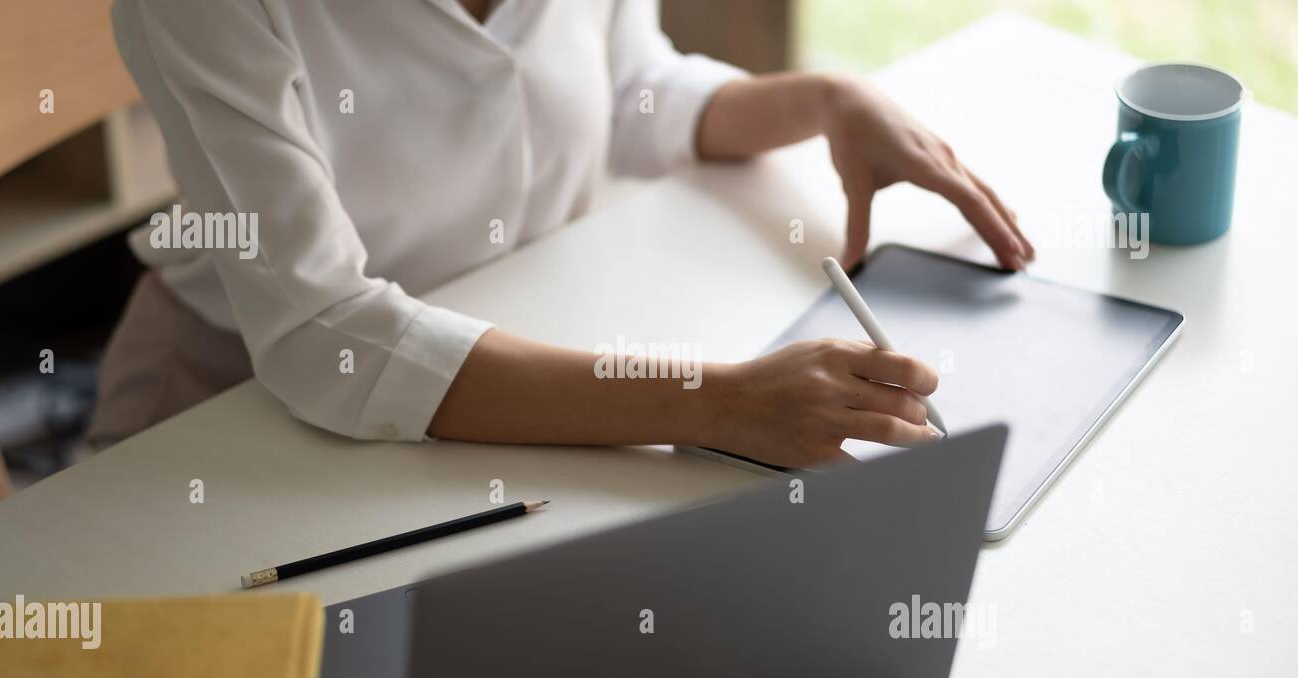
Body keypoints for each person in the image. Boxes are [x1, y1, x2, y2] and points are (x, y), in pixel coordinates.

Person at [92, 0, 1033, 468]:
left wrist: (831, 101)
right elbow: (321, 333)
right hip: (230, 414)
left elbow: (630, 90)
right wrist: (721, 405)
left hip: (514, 385)